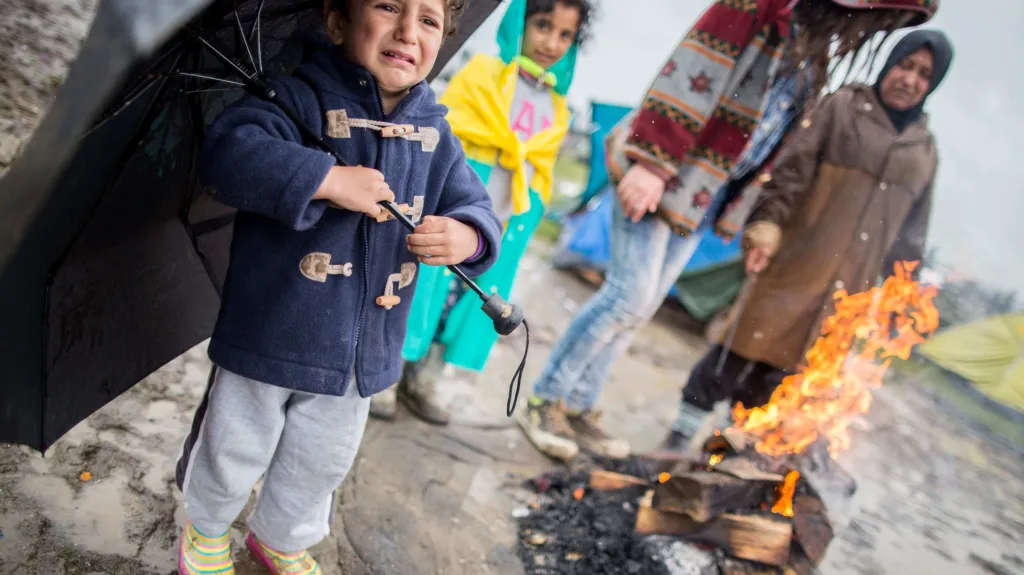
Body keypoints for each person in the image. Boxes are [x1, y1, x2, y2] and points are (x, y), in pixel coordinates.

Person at [516, 0, 939, 462]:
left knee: (641, 308)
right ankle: (544, 400)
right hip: (664, 173)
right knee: (627, 297)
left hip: (704, 194)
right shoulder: (760, 8)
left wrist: (743, 213)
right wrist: (652, 161)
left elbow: (777, 139)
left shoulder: (810, 51)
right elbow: (693, 65)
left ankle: (578, 407)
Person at [172, 0, 503, 573]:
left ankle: (280, 535)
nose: (407, 30)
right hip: (271, 329)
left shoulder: (435, 133)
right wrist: (325, 178)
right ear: (337, 22)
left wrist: (467, 237)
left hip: (363, 349)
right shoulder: (294, 99)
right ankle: (206, 528)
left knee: (319, 459)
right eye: (388, 6)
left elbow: (476, 206)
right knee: (234, 442)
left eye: (427, 19)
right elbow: (229, 157)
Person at [663, 28, 954, 452]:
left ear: (933, 85)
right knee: (737, 354)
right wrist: (767, 226)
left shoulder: (924, 150)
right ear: (889, 64)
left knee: (782, 382)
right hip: (795, 264)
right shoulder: (844, 108)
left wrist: (898, 301)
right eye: (905, 65)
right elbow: (790, 173)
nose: (910, 79)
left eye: (924, 74)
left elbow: (911, 238)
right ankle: (677, 438)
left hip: (845, 296)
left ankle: (722, 456)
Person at [369, 0, 593, 423]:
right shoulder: (485, 74)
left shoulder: (558, 105)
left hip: (510, 218)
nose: (552, 42)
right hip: (465, 205)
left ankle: (428, 374)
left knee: (477, 298)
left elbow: (540, 163)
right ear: (519, 23)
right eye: (543, 26)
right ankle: (392, 368)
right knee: (432, 281)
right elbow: (450, 133)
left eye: (565, 35)